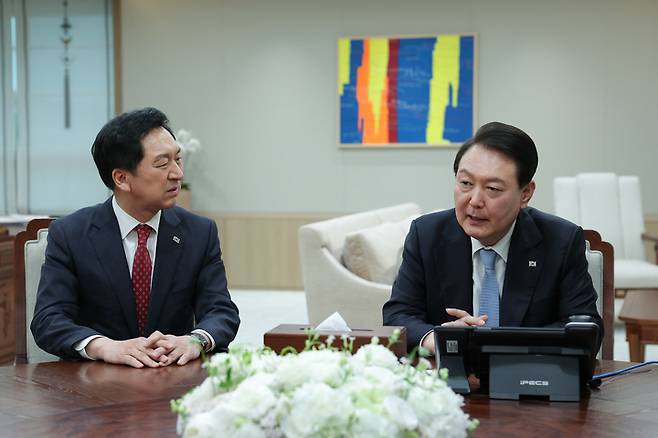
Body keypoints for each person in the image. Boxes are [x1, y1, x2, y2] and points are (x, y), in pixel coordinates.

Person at [31, 107, 240, 368]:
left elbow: (221, 311)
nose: (177, 173)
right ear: (121, 178)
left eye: (177, 159)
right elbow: (48, 319)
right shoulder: (71, 234)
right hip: (96, 385)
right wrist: (104, 346)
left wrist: (195, 340)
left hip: (173, 380)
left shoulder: (199, 233)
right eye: (162, 164)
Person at [383, 121, 601, 354]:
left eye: (493, 189)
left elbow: (584, 328)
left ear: (525, 193)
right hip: (449, 381)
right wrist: (440, 339)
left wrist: (493, 346)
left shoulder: (561, 241)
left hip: (528, 380)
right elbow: (398, 315)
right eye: (466, 183)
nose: (475, 200)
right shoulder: (426, 234)